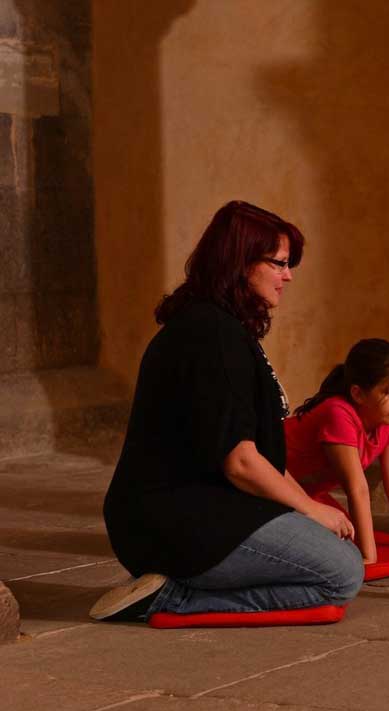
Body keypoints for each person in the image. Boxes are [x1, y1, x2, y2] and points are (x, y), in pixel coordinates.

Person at [91, 201, 363, 621]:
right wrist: (309, 510)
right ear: (240, 263)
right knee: (341, 574)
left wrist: (307, 508)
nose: (288, 276)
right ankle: (169, 598)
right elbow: (240, 461)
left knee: (336, 549)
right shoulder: (211, 334)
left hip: (205, 508)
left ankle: (180, 585)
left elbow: (260, 453)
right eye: (279, 264)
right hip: (173, 520)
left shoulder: (221, 328)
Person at [285, 338, 389, 564]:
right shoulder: (338, 413)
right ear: (358, 394)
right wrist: (367, 557)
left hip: (306, 495)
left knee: (340, 536)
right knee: (326, 547)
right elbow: (357, 488)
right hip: (270, 488)